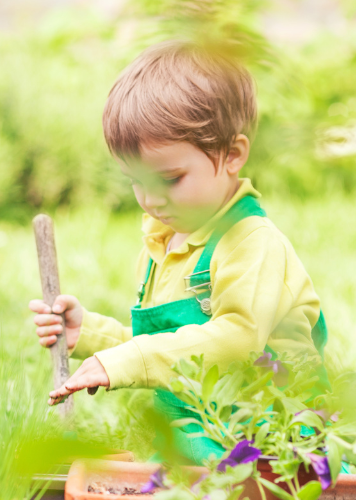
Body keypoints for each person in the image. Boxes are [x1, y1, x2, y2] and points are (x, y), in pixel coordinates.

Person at [28, 41, 328, 464]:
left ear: (232, 155)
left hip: (271, 431)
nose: (150, 199)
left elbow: (238, 340)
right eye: (136, 179)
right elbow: (170, 347)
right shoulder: (163, 244)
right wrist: (92, 336)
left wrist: (131, 358)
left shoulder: (249, 239)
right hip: (207, 423)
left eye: (170, 178)